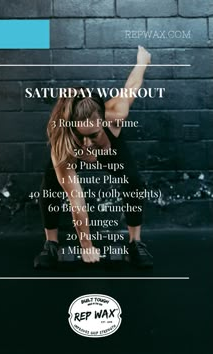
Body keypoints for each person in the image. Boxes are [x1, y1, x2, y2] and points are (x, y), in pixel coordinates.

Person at [34, 45, 153, 268]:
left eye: (94, 135)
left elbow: (132, 85)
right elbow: (76, 200)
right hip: (69, 150)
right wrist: (86, 245)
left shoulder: (116, 115)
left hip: (111, 148)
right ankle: (51, 243)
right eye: (82, 136)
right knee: (49, 186)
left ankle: (135, 242)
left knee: (134, 182)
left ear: (104, 123)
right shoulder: (63, 140)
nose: (88, 143)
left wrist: (142, 62)